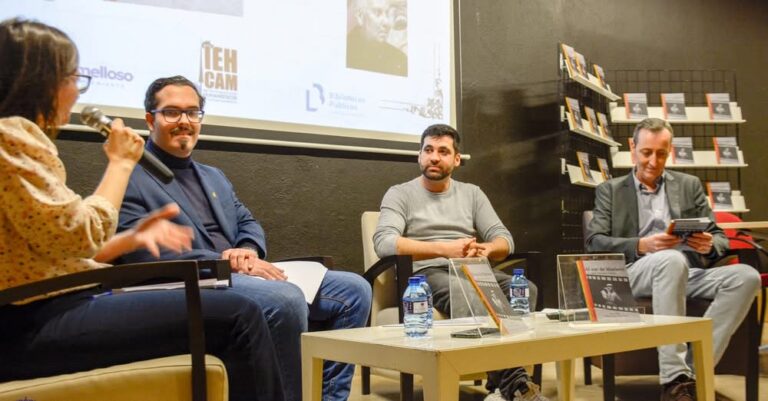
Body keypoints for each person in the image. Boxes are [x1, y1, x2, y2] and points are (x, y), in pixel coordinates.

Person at [0, 18, 284, 401]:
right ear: (41, 80)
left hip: (49, 307)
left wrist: (130, 238)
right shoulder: (11, 139)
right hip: (31, 322)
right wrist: (120, 163)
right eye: (74, 78)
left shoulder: (16, 138)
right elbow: (77, 235)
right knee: (239, 315)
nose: (76, 91)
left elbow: (55, 244)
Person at [116, 75, 371, 401]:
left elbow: (247, 222)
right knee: (285, 299)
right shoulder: (129, 175)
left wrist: (246, 251)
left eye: (193, 113)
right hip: (197, 282)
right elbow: (142, 254)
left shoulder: (213, 176)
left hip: (244, 271)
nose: (185, 122)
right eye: (172, 113)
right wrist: (224, 262)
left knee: (355, 291)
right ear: (150, 119)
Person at [585, 118, 760, 401]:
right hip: (635, 272)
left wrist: (708, 245)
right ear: (633, 147)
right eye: (646, 153)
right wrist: (642, 244)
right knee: (670, 260)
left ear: (670, 151)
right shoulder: (611, 190)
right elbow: (595, 242)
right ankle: (673, 378)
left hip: (683, 271)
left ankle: (692, 374)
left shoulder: (688, 186)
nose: (654, 161)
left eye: (662, 153)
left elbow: (719, 236)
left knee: (746, 277)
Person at [373, 124, 547, 401]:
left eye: (443, 151)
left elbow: (504, 239)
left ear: (456, 159)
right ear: (419, 156)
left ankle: (500, 388)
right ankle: (516, 387)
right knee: (467, 292)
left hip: (472, 269)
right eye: (428, 150)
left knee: (525, 289)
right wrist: (444, 249)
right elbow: (384, 243)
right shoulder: (400, 193)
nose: (434, 157)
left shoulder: (472, 193)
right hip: (426, 273)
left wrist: (487, 249)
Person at [346, 0, 407, 76]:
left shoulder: (399, 59)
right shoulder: (344, 52)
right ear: (360, 17)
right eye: (378, 13)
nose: (386, 22)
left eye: (387, 14)